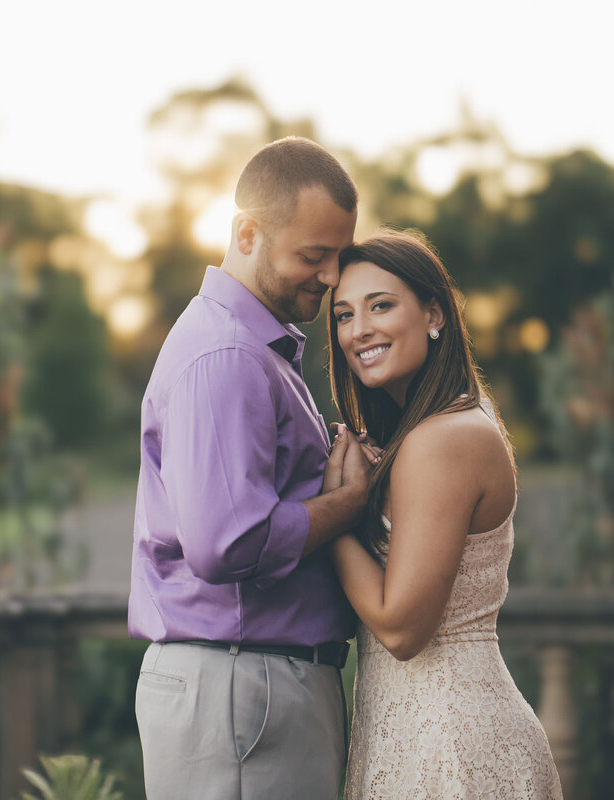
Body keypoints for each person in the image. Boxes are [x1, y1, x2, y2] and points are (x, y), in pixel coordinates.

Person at [128, 137, 371, 799]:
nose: (329, 277)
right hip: (242, 689)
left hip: (249, 689)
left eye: (339, 257)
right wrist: (346, 504)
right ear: (246, 233)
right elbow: (227, 543)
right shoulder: (227, 357)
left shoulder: (251, 349)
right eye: (313, 256)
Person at [322, 230, 563, 798]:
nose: (359, 330)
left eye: (381, 305)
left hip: (450, 746)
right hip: (420, 729)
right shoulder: (450, 424)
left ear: (435, 314)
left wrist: (334, 516)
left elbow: (402, 627)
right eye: (342, 315)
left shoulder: (442, 439)